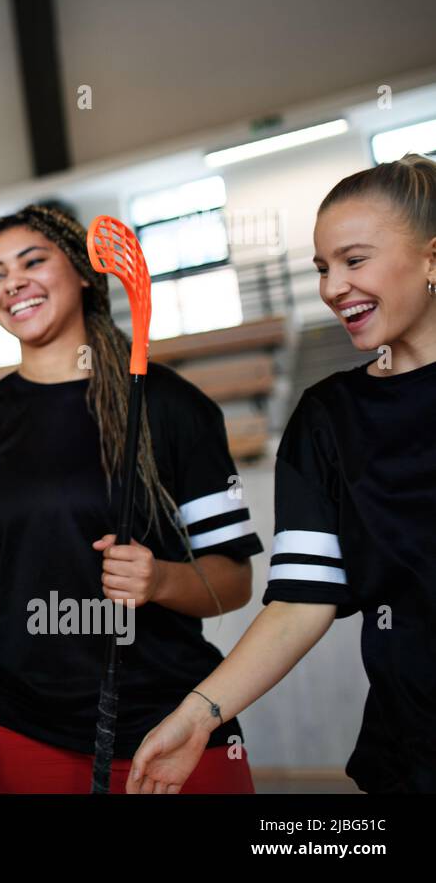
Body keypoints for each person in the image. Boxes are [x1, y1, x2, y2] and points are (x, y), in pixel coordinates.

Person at [0, 204, 262, 794]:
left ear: (83, 272)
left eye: (33, 261)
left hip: (174, 725)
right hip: (23, 733)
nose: (14, 284)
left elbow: (233, 583)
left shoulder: (173, 408)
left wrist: (159, 580)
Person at [129, 154, 436, 794]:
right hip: (410, 760)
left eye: (355, 261)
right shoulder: (326, 419)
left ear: (431, 259)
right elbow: (302, 600)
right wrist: (197, 715)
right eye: (323, 268)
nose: (331, 287)